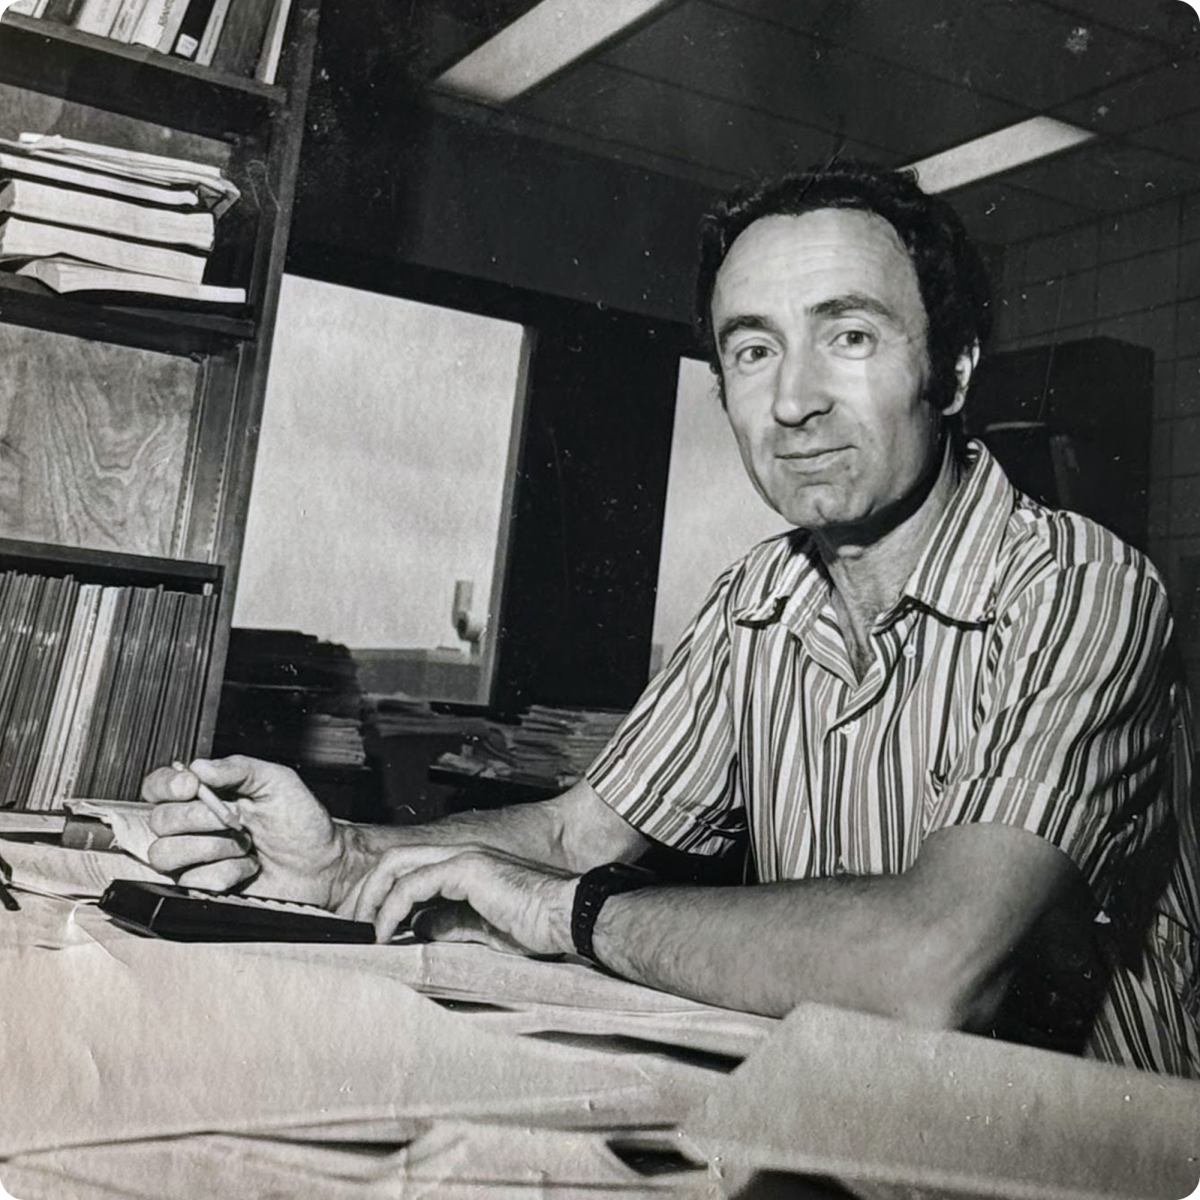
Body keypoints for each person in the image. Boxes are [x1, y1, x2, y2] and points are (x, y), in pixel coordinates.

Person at [143, 162, 1199, 1077]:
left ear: (956, 368)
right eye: (752, 350)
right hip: (857, 1119)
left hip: (1092, 1157)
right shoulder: (758, 599)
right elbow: (572, 829)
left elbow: (933, 972)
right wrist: (343, 857)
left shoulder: (1081, 588)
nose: (793, 401)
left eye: (850, 334)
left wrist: (565, 912)